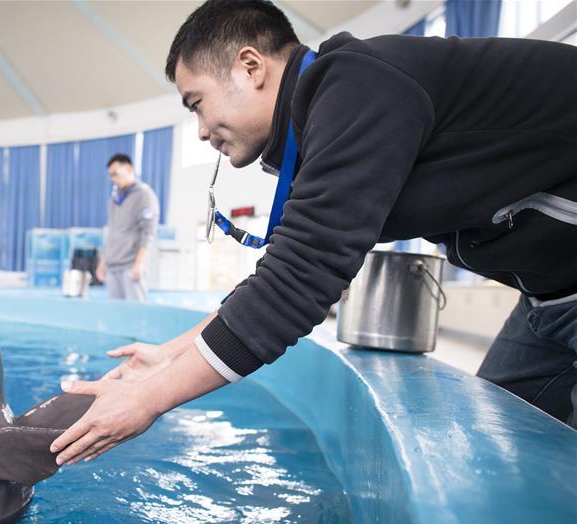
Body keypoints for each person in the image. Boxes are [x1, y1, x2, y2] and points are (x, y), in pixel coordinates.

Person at [50, 0, 577, 465]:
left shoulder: (358, 83)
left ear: (250, 66)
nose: (202, 131)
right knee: (503, 460)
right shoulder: (325, 125)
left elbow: (301, 281)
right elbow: (285, 270)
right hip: (550, 297)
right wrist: (172, 353)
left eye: (197, 104)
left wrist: (149, 399)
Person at [95, 154, 160, 302]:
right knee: (115, 316)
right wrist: (103, 262)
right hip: (112, 267)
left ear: (129, 169)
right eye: (110, 175)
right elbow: (111, 232)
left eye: (115, 174)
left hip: (131, 266)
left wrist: (140, 263)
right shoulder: (114, 200)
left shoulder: (144, 195)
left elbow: (148, 232)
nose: (113, 179)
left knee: (135, 315)